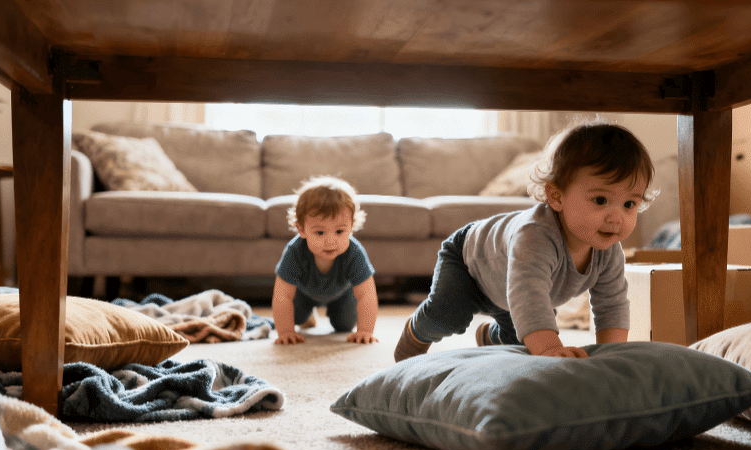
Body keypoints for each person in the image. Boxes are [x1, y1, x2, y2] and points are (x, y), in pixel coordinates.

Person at [394, 119, 656, 361]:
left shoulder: (608, 249)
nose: (616, 218)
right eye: (600, 200)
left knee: (520, 340)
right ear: (556, 197)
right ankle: (416, 331)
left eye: (629, 204)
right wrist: (551, 348)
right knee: (449, 315)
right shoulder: (535, 237)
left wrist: (610, 355)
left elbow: (612, 303)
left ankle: (490, 336)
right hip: (470, 264)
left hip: (512, 291)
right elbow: (528, 296)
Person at [273, 176, 379, 345]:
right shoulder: (295, 251)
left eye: (339, 231)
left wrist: (365, 331)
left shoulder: (354, 252)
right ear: (301, 229)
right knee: (296, 316)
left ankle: (337, 315)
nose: (330, 241)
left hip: (342, 295)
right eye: (320, 233)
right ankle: (308, 318)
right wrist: (285, 332)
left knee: (344, 325)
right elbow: (282, 295)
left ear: (351, 227)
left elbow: (367, 295)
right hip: (302, 294)